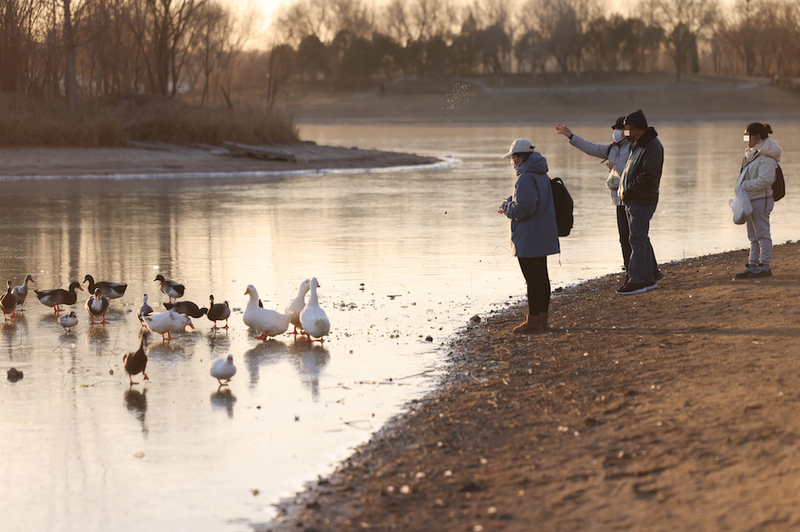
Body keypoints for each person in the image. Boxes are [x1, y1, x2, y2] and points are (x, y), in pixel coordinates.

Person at [555, 117, 658, 279]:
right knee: (626, 237)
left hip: (633, 196)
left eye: (620, 129)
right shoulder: (612, 148)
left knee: (637, 236)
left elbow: (635, 168)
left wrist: (615, 167)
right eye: (616, 129)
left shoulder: (634, 146)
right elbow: (591, 148)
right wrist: (571, 136)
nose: (616, 132)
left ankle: (646, 271)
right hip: (619, 198)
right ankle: (632, 269)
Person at [498, 138, 560, 333]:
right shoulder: (540, 173)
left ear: (521, 158)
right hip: (542, 232)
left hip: (530, 235)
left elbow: (524, 209)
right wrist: (512, 200)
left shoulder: (525, 177)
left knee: (532, 279)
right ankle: (542, 319)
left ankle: (533, 322)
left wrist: (506, 206)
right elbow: (534, 199)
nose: (512, 162)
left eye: (513, 158)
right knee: (541, 276)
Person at [616, 109, 664, 295]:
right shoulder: (638, 144)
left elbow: (648, 174)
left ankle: (637, 281)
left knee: (637, 239)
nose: (625, 133)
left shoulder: (652, 145)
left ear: (636, 128)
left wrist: (629, 190)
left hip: (642, 199)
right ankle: (648, 279)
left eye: (627, 129)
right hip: (633, 199)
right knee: (639, 238)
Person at [734, 123, 782, 279]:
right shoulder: (751, 153)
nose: (745, 139)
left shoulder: (767, 157)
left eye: (747, 136)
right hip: (751, 199)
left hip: (762, 199)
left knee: (762, 234)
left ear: (758, 136)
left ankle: (765, 267)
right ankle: (753, 266)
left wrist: (743, 185)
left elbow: (766, 180)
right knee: (753, 236)